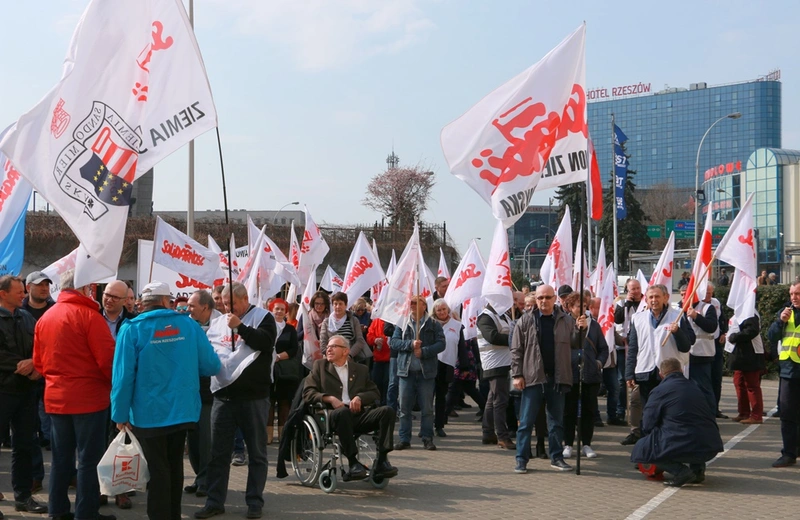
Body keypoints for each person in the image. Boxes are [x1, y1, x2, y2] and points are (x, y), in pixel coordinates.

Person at [112, 281, 221, 520]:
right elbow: (212, 365)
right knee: (174, 466)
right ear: (166, 301)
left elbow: (122, 377)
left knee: (158, 469)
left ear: (144, 302)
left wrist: (119, 415)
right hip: (183, 411)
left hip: (147, 414)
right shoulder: (189, 326)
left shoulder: (131, 329)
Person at [33, 269, 115, 520]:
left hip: (57, 399)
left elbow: (38, 363)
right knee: (89, 461)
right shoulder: (89, 316)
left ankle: (57, 511)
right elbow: (108, 360)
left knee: (60, 460)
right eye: (90, 287)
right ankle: (86, 513)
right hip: (89, 399)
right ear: (84, 288)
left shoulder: (46, 317)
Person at [195, 283, 277, 520]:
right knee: (218, 453)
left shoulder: (263, 317)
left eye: (232, 303)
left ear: (245, 299)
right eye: (224, 302)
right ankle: (214, 501)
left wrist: (241, 328)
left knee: (257, 453)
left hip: (254, 398)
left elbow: (265, 342)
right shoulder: (219, 321)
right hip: (223, 396)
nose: (227, 307)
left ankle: (254, 501)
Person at [510, 284, 584, 474]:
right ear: (536, 299)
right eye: (540, 298)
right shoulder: (525, 321)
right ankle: (521, 459)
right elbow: (516, 350)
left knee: (556, 422)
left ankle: (556, 457)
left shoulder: (566, 320)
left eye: (548, 297)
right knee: (526, 422)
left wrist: (581, 328)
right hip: (532, 378)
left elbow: (576, 343)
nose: (544, 301)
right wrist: (517, 374)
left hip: (557, 378)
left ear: (555, 299)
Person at [303, 334, 398, 480]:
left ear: (346, 351)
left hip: (357, 414)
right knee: (342, 412)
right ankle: (353, 463)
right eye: (327, 347)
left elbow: (374, 392)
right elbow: (308, 392)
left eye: (333, 346)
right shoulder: (320, 366)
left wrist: (360, 397)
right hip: (331, 415)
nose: (328, 349)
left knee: (387, 411)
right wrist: (330, 398)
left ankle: (382, 460)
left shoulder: (360, 369)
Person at [631, 358, 723, 487]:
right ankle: (698, 471)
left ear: (661, 374)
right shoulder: (695, 386)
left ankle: (681, 472)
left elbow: (648, 422)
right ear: (681, 370)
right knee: (694, 430)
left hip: (683, 443)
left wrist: (650, 439)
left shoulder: (659, 391)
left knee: (644, 449)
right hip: (710, 445)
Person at [0, 275, 48, 514]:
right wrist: (23, 364)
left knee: (25, 445)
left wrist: (35, 364)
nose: (23, 295)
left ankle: (23, 497)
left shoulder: (27, 317)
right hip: (3, 391)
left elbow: (41, 346)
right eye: (19, 292)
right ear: (3, 293)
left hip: (27, 392)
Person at [625, 284, 694, 421]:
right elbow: (633, 348)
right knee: (648, 410)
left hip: (669, 373)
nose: (653, 300)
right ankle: (649, 438)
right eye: (650, 297)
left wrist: (677, 332)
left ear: (666, 298)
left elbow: (686, 346)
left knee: (668, 410)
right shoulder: (638, 318)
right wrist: (629, 373)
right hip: (646, 371)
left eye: (657, 296)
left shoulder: (678, 316)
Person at [100, 279, 137, 510]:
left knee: (122, 443)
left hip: (124, 390)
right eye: (106, 294)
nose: (109, 299)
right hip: (98, 388)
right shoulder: (92, 317)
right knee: (98, 442)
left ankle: (122, 490)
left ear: (125, 301)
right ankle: (102, 488)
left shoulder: (133, 323)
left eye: (115, 297)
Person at [391, 296, 445, 451]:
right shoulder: (402, 322)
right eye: (411, 303)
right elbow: (393, 342)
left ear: (424, 305)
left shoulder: (433, 324)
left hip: (425, 373)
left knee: (427, 408)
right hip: (406, 372)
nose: (412, 305)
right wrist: (410, 344)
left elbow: (441, 343)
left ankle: (427, 438)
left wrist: (425, 351)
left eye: (415, 303)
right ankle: (404, 439)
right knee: (404, 408)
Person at [185, 290, 222, 497]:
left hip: (210, 389)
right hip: (190, 388)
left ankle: (207, 481)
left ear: (205, 307)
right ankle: (199, 476)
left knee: (206, 438)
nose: (187, 309)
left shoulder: (221, 325)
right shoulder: (188, 325)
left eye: (191, 306)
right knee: (193, 438)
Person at [562, 292, 608, 460]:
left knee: (588, 411)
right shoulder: (564, 323)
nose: (581, 309)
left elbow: (603, 348)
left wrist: (599, 362)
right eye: (577, 306)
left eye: (584, 305)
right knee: (569, 411)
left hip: (590, 374)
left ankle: (586, 443)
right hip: (570, 373)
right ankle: (568, 443)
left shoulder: (594, 325)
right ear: (570, 307)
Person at [23, 271, 56, 492]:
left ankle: (68, 474)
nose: (44, 288)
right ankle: (36, 474)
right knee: (29, 429)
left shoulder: (56, 310)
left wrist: (41, 365)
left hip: (52, 377)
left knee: (58, 430)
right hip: (27, 380)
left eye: (47, 284)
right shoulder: (19, 311)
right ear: (28, 288)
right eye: (39, 284)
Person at [767, 281, 800, 467]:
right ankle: (788, 453)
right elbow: (772, 337)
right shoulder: (785, 312)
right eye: (792, 293)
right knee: (787, 414)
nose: (794, 297)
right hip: (789, 372)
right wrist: (780, 322)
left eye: (798, 293)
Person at [476, 301, 515, 450]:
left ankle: (488, 432)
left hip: (503, 362)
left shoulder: (503, 316)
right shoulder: (485, 317)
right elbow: (492, 337)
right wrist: (515, 339)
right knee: (500, 401)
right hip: (495, 364)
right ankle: (502, 437)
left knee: (493, 399)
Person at [267, 298, 300, 445]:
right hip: (268, 370)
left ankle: (282, 435)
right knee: (269, 402)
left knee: (284, 403)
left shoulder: (290, 329)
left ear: (286, 312)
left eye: (282, 309)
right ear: (271, 310)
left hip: (285, 372)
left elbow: (293, 349)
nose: (279, 311)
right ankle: (267, 436)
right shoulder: (266, 327)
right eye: (276, 309)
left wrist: (279, 357)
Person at [682, 285, 719, 417]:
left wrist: (696, 317)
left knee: (703, 388)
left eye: (686, 294)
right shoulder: (678, 309)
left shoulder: (707, 308)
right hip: (684, 356)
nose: (683, 297)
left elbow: (711, 327)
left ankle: (709, 414)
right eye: (681, 294)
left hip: (702, 354)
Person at [614, 279, 643, 440]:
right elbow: (617, 319)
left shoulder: (645, 302)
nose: (635, 291)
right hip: (623, 346)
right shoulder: (623, 303)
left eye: (638, 288)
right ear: (627, 290)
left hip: (639, 346)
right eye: (632, 289)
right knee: (621, 380)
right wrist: (626, 305)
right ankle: (621, 410)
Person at [727, 312, 765, 424]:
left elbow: (752, 331)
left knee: (752, 385)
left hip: (751, 354)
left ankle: (756, 415)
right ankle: (744, 413)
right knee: (739, 383)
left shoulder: (750, 312)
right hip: (739, 355)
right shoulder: (738, 312)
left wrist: (734, 337)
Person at [431, 299, 459, 438]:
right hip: (431, 364)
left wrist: (464, 364)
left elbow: (461, 347)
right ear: (434, 312)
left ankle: (439, 425)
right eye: (439, 310)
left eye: (444, 309)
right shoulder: (429, 324)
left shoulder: (457, 325)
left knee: (441, 397)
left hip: (447, 365)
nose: (442, 312)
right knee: (428, 397)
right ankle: (426, 426)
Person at [319, 292, 371, 364]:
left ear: (346, 305)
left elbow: (360, 341)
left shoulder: (353, 320)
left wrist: (349, 355)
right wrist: (333, 356)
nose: (338, 306)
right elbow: (323, 343)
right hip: (331, 361)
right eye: (335, 304)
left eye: (340, 304)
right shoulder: (326, 322)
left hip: (349, 360)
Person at [297, 291, 330, 368]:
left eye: (322, 304)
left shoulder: (331, 318)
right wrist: (308, 329)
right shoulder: (306, 316)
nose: (319, 306)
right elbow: (298, 336)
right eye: (317, 303)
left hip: (326, 353)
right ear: (313, 304)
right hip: (310, 353)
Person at [366, 316, 391, 406]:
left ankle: (387, 405)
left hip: (391, 358)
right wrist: (375, 340)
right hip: (378, 358)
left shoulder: (395, 321)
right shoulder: (376, 321)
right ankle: (377, 404)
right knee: (376, 381)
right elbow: (369, 336)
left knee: (387, 382)